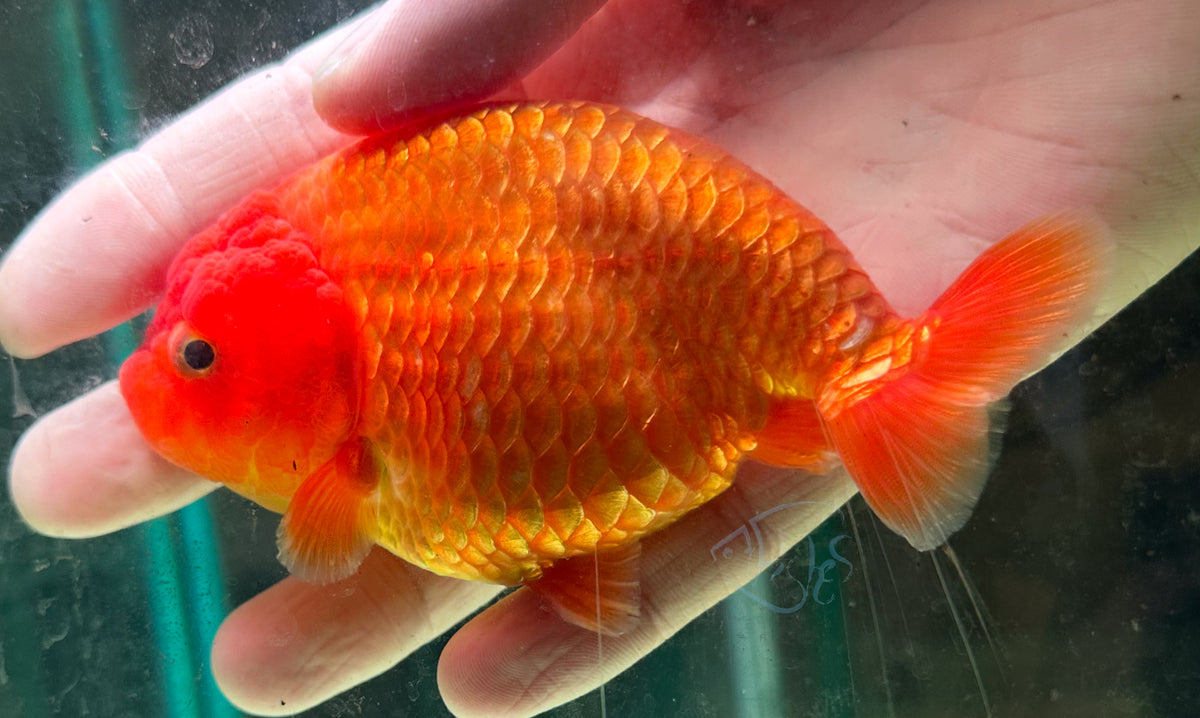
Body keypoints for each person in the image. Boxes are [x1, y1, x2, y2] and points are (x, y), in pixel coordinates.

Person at [2, 0, 1198, 715]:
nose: (167, 372)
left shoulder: (347, 438)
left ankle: (880, 375)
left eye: (198, 355)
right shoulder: (341, 271)